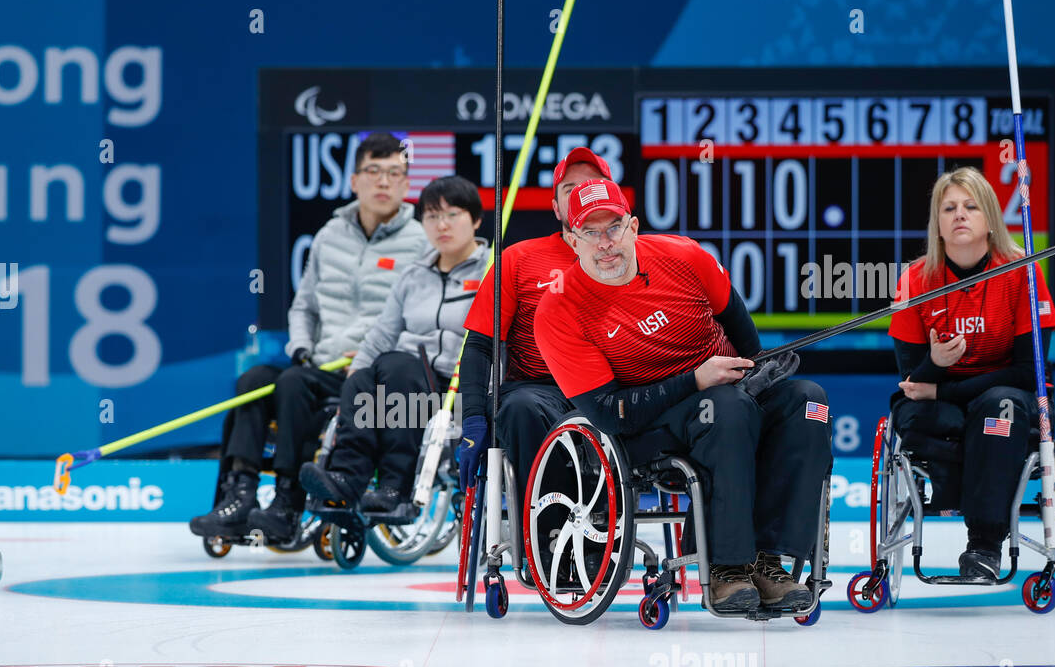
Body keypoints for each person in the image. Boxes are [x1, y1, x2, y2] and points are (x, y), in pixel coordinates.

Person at [534, 178, 833, 613]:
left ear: (633, 226)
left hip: (728, 393)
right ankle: (727, 568)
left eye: (613, 227)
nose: (605, 244)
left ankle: (772, 562)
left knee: (808, 400)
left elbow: (740, 328)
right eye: (591, 233)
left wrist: (763, 370)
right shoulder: (559, 309)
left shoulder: (684, 256)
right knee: (726, 408)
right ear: (571, 240)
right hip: (646, 423)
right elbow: (609, 413)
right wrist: (695, 380)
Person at [190, 132, 427, 542]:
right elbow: (304, 307)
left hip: (368, 370)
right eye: (374, 171)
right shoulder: (328, 235)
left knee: (293, 383)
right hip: (318, 361)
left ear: (407, 184)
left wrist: (375, 353)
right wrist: (301, 348)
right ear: (354, 181)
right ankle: (239, 491)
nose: (384, 182)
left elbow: (420, 317)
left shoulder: (422, 242)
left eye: (395, 173)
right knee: (253, 382)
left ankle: (287, 501)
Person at [888, 166, 1055, 580]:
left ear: (990, 220)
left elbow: (1028, 373)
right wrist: (936, 364)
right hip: (936, 398)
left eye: (970, 206)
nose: (959, 214)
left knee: (998, 409)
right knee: (937, 419)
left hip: (1005, 394)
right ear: (938, 224)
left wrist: (944, 388)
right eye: (948, 208)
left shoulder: (1024, 273)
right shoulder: (914, 280)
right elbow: (913, 379)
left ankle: (984, 544)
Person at [300, 176, 488, 516]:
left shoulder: (494, 271)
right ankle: (346, 480)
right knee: (361, 379)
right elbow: (382, 332)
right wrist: (357, 371)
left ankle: (395, 487)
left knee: (396, 367)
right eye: (431, 216)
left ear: (475, 220)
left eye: (452, 214)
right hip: (403, 382)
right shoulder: (413, 275)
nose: (441, 225)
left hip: (455, 390)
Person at [455, 147, 614, 506]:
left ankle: (609, 526)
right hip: (538, 392)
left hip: (615, 392)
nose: (582, 194)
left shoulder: (635, 256)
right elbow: (480, 346)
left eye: (592, 185)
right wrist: (473, 421)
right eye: (570, 188)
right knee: (520, 408)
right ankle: (547, 536)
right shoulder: (518, 259)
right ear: (556, 207)